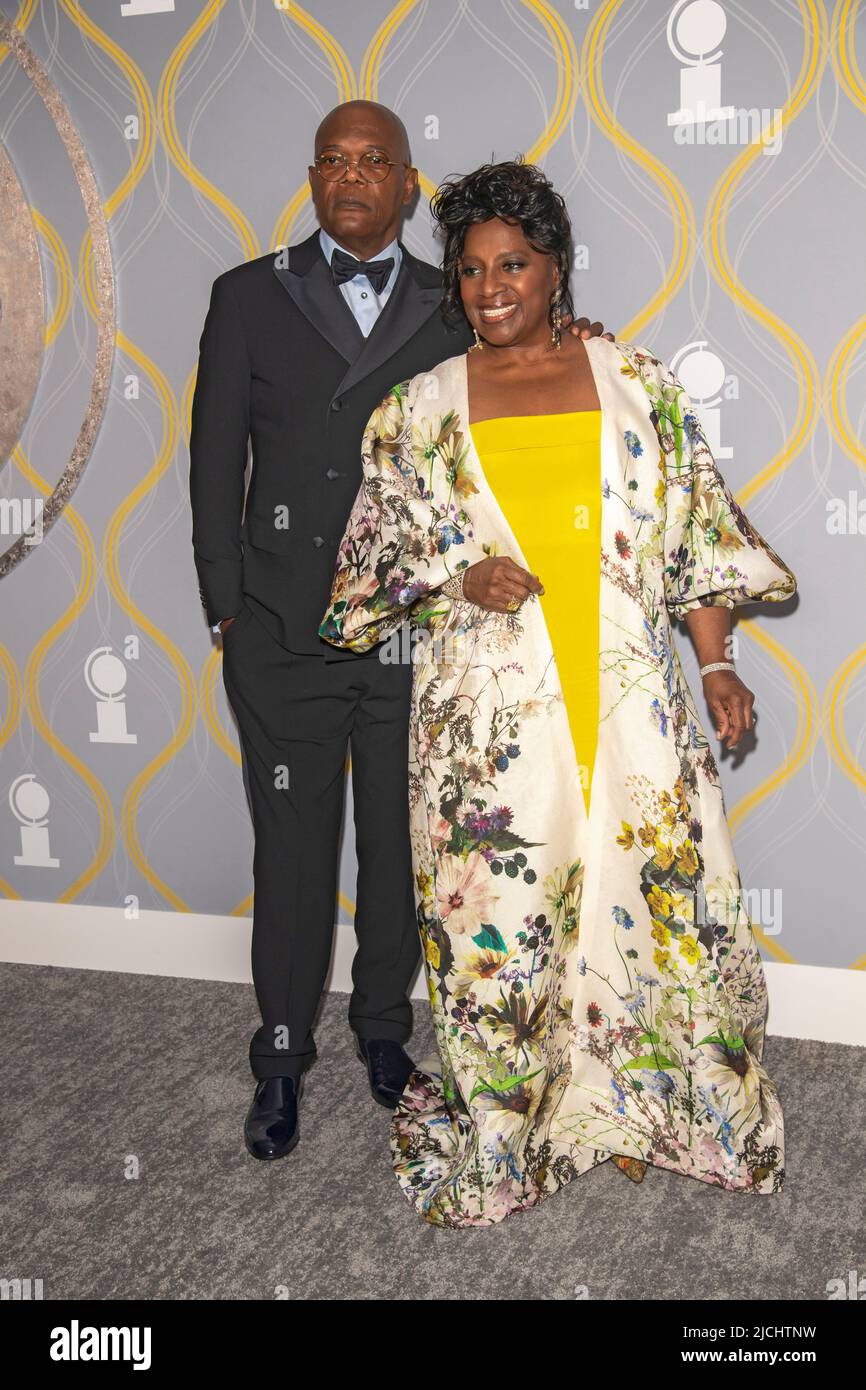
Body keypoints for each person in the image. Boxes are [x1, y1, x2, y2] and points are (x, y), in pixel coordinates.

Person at [319, 159, 798, 1227]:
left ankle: (642, 1111)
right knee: (503, 929)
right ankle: (519, 1126)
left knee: (659, 912)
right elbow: (364, 572)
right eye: (474, 269)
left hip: (625, 701)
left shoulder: (636, 384)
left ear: (553, 270)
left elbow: (694, 544)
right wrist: (455, 576)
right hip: (485, 726)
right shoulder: (419, 413)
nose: (491, 287)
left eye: (514, 265)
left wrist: (714, 664)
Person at [189, 103, 611, 1161]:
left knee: (397, 851)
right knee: (289, 853)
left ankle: (383, 1034)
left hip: (413, 631)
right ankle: (280, 1055)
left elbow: (533, 361)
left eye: (373, 161)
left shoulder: (454, 297)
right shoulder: (245, 295)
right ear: (311, 175)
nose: (350, 176)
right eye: (332, 158)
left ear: (408, 185)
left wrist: (583, 344)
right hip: (284, 631)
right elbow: (212, 464)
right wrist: (226, 607)